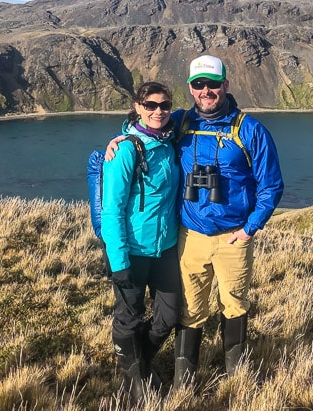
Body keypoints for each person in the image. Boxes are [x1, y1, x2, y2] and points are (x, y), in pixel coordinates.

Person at [107, 55, 284, 385]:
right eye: (199, 84)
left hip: (234, 236)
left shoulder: (250, 129)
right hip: (189, 235)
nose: (206, 90)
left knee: (234, 303)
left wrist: (249, 230)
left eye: (213, 84)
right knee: (190, 309)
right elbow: (146, 125)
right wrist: (118, 139)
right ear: (190, 88)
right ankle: (184, 379)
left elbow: (271, 184)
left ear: (225, 85)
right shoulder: (180, 122)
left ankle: (236, 374)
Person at [101, 81, 181, 403]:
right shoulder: (124, 151)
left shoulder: (172, 141)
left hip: (165, 249)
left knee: (170, 315)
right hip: (132, 251)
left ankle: (140, 359)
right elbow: (112, 211)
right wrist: (118, 262)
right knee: (129, 317)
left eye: (163, 105)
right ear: (137, 107)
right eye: (150, 105)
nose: (158, 111)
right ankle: (136, 379)